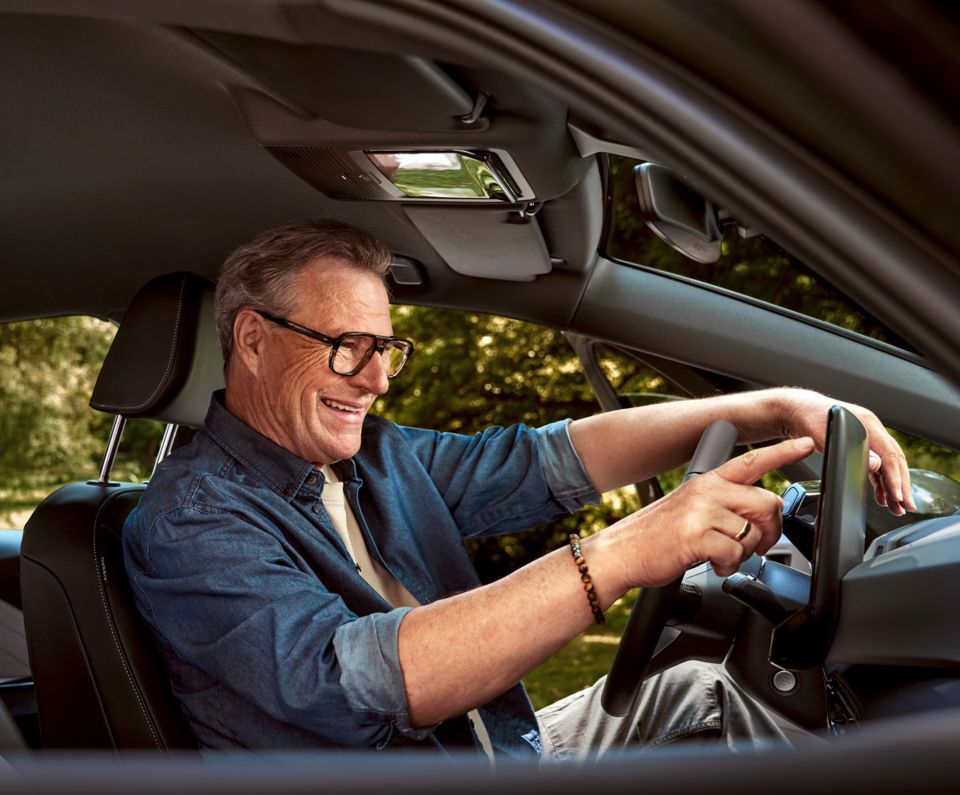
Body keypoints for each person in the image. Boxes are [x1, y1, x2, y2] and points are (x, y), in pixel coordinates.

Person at [123, 219, 914, 759]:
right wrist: (625, 551)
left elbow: (549, 461)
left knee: (703, 691)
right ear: (253, 340)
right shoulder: (188, 521)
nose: (375, 380)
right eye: (347, 347)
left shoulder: (377, 457)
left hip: (494, 756)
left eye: (386, 349)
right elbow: (363, 683)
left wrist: (771, 408)